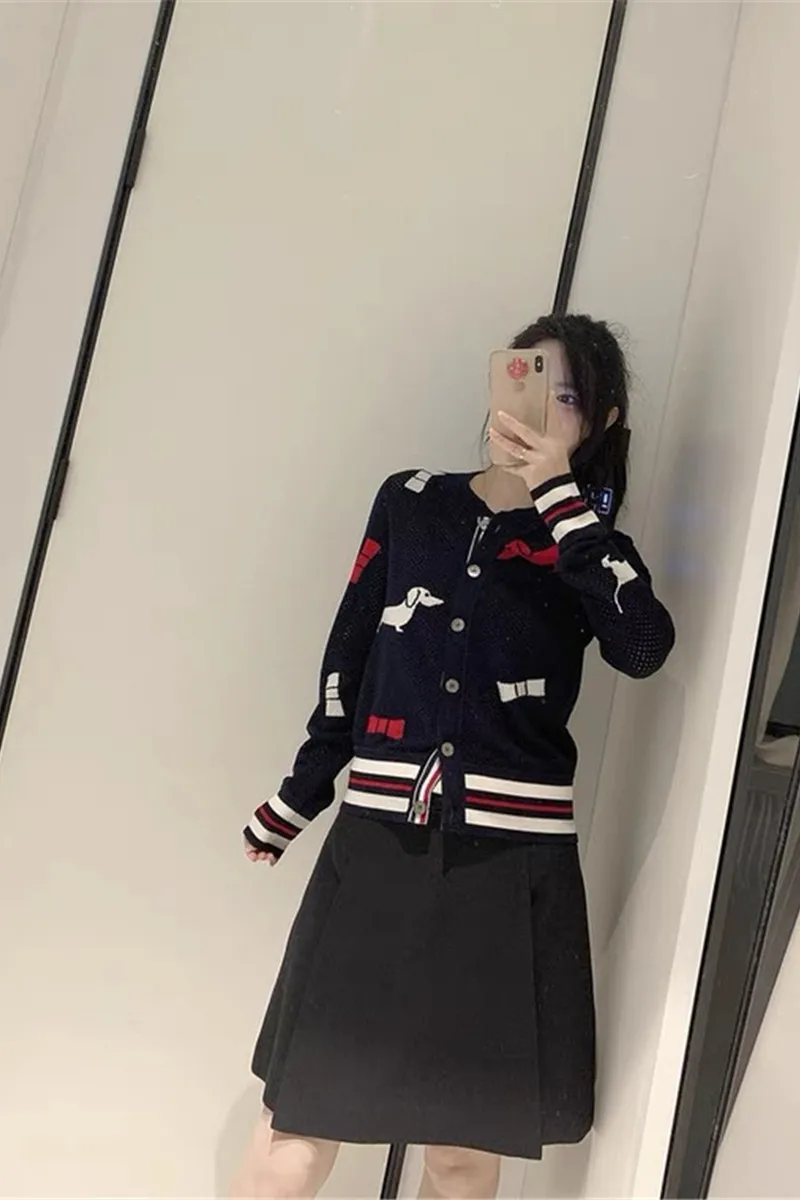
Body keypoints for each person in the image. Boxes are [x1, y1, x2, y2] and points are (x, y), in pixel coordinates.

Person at [231, 314, 675, 1200]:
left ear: (603, 422)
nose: (539, 407)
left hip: (511, 870)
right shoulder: (413, 501)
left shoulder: (590, 548)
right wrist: (300, 794)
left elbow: (643, 646)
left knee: (463, 1152)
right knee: (297, 1128)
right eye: (525, 378)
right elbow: (351, 654)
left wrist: (560, 498)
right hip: (377, 849)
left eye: (568, 396)